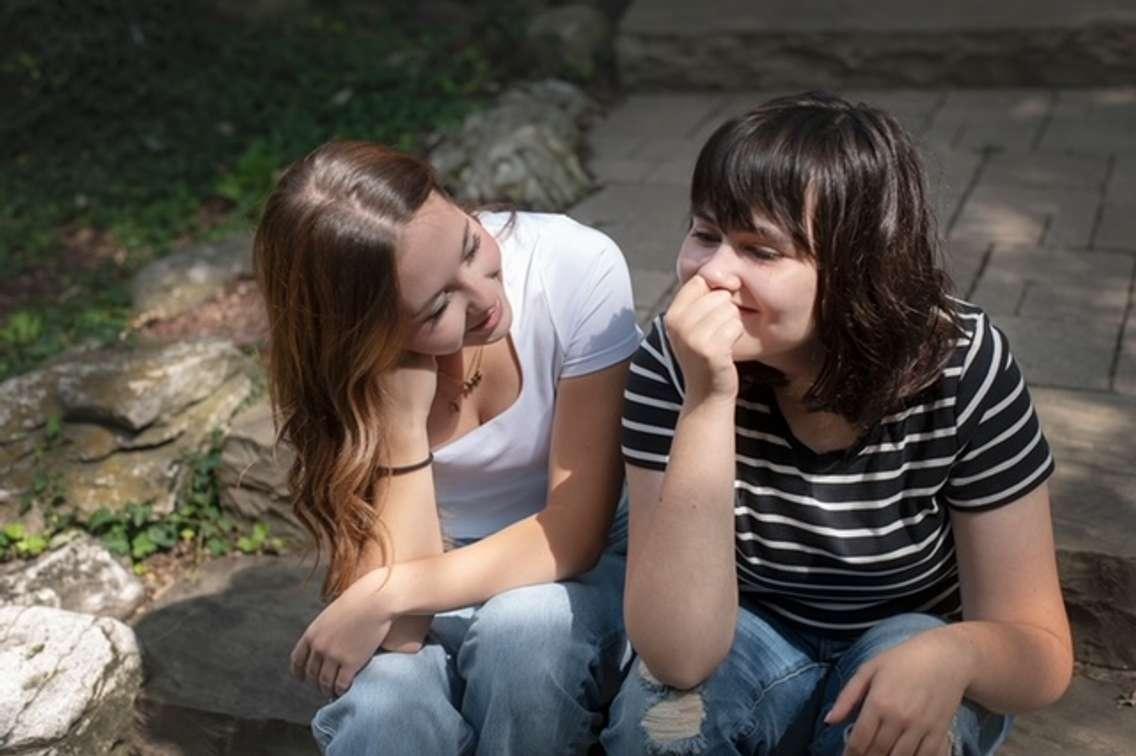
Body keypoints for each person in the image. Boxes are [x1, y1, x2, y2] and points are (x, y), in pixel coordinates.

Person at [602, 92, 1073, 756]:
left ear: (857, 269)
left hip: (910, 639)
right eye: (706, 234)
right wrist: (707, 401)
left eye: (759, 250)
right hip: (744, 634)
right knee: (654, 729)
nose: (711, 274)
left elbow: (1041, 651)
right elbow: (680, 659)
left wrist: (957, 654)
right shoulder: (676, 360)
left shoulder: (962, 365)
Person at [253, 141, 641, 754]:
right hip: (433, 572)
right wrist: (404, 425)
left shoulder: (573, 266)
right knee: (386, 708)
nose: (485, 298)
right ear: (364, 334)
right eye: (437, 307)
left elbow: (576, 531)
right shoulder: (351, 376)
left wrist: (387, 592)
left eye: (469, 245)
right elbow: (403, 638)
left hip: (576, 569)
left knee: (525, 632)